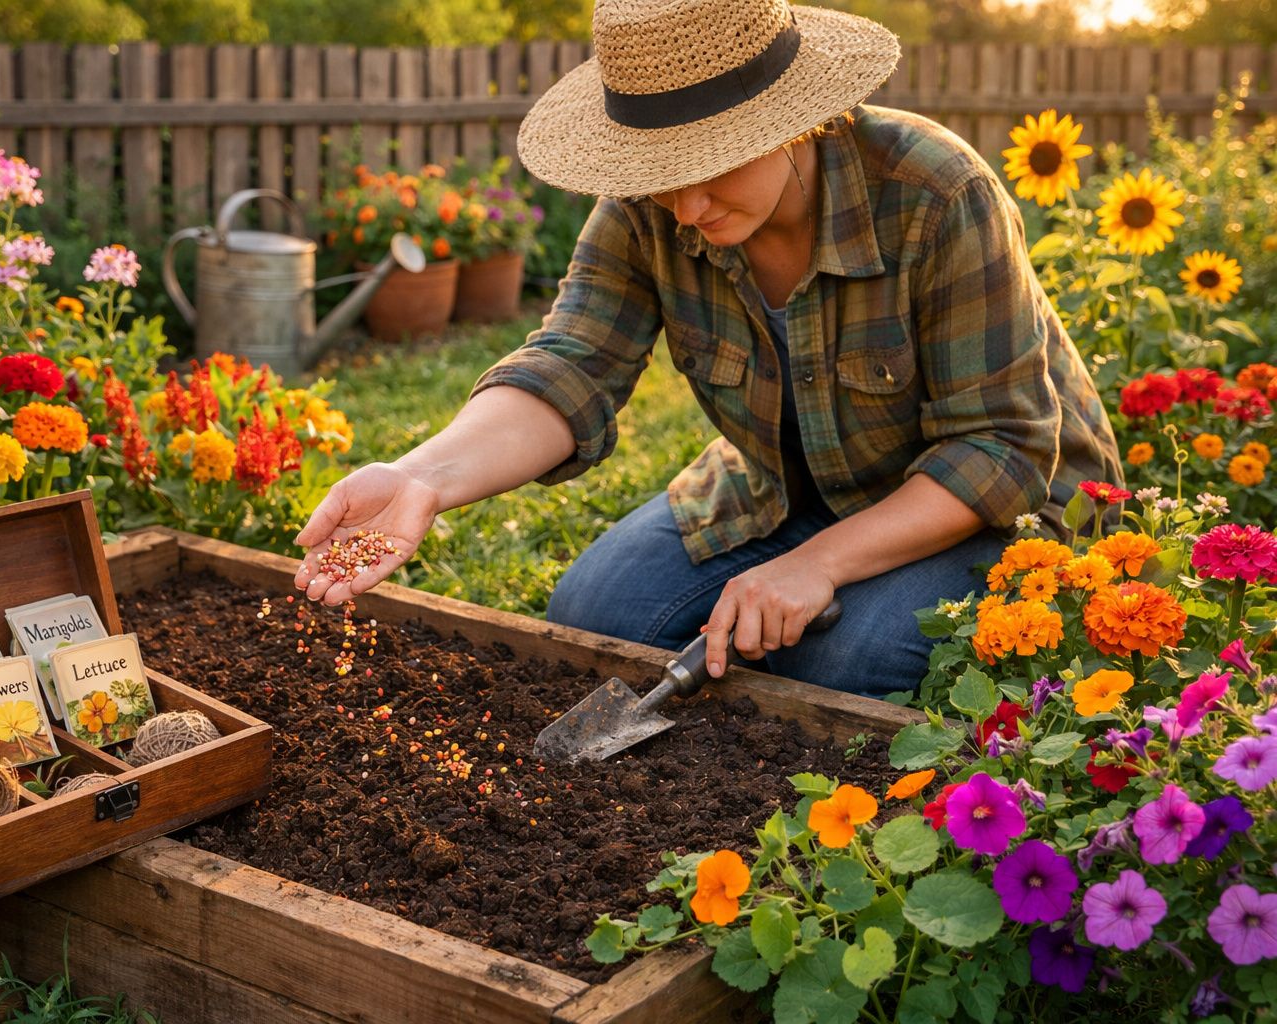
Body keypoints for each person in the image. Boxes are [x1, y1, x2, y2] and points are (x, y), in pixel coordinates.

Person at [292, 0, 1121, 697]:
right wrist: (419, 478)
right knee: (594, 614)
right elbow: (572, 363)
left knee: (850, 661)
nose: (685, 206)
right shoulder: (644, 210)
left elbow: (999, 449)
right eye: (660, 169)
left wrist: (820, 565)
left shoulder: (936, 194)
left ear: (795, 119)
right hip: (784, 485)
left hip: (987, 505)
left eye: (712, 162)